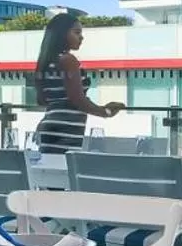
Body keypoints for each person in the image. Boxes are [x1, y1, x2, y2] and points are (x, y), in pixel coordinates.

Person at [34, 11, 126, 153]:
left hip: (50, 126)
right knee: (67, 171)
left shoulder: (46, 62)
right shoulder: (68, 60)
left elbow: (42, 100)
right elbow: (77, 99)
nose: (81, 37)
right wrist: (106, 112)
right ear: (62, 34)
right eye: (76, 32)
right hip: (66, 129)